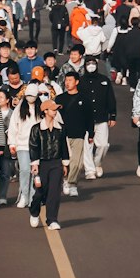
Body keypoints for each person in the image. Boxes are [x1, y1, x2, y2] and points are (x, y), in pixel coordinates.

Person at [28, 94, 68, 230]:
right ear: (45, 111)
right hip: (42, 163)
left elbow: (64, 146)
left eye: (56, 109)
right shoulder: (36, 128)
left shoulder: (61, 128)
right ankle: (34, 212)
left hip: (56, 162)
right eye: (52, 109)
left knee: (54, 192)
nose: (55, 111)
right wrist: (34, 164)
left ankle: (52, 219)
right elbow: (33, 146)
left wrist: (65, 163)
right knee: (40, 191)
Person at [79, 57, 116, 179]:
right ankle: (89, 171)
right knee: (87, 146)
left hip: (102, 117)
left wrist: (113, 115)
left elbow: (110, 98)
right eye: (88, 64)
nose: (91, 66)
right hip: (85, 119)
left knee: (103, 145)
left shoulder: (104, 80)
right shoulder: (81, 81)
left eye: (93, 63)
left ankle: (97, 163)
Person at [59, 71, 92, 199]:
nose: (67, 83)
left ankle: (72, 184)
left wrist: (91, 133)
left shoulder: (84, 99)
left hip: (79, 134)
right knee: (65, 161)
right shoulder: (60, 98)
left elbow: (89, 117)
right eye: (66, 81)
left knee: (77, 162)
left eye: (70, 80)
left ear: (77, 82)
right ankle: (65, 179)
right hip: (63, 135)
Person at [7, 86, 39, 210]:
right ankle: (24, 195)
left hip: (36, 145)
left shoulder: (40, 108)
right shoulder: (19, 108)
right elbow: (13, 126)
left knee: (34, 171)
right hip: (22, 144)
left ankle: (32, 196)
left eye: (33, 96)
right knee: (25, 170)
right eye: (29, 95)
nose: (31, 98)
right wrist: (12, 144)